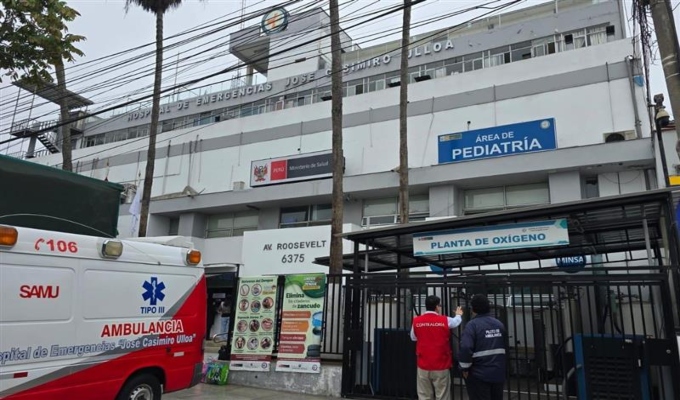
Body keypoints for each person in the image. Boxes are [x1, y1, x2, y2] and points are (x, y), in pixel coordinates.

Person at [410, 295, 464, 400]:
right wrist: (458, 314)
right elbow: (456, 322)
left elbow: (413, 337)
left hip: (423, 364)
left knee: (424, 395)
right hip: (441, 364)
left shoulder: (416, 321)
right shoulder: (445, 320)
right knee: (442, 395)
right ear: (436, 307)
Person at [459, 294, 507, 400]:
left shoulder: (472, 325)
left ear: (473, 309)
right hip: (498, 372)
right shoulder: (499, 324)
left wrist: (464, 368)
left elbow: (466, 347)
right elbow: (504, 345)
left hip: (478, 374)